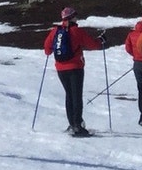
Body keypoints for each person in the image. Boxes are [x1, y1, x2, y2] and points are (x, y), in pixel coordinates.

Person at [43, 7, 104, 136]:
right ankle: (78, 125)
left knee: (69, 95)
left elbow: (47, 50)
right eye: (75, 16)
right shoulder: (77, 31)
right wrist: (101, 40)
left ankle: (72, 124)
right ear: (71, 17)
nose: (77, 18)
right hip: (75, 67)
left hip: (60, 68)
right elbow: (93, 45)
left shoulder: (55, 31)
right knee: (76, 96)